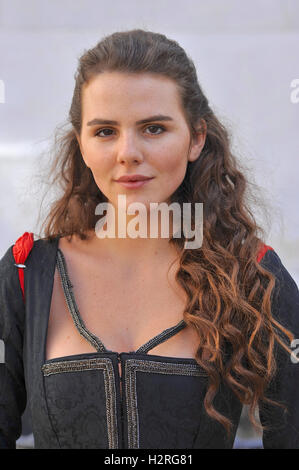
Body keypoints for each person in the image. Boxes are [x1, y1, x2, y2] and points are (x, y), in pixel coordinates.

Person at [1, 29, 299, 450]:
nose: (128, 152)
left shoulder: (252, 274)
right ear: (82, 145)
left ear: (196, 138)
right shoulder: (24, 274)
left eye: (154, 128)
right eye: (105, 131)